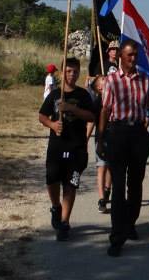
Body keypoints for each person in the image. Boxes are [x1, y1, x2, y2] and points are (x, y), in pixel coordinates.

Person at [97, 39, 149, 257]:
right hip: (117, 133)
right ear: (121, 57)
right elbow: (105, 110)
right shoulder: (112, 80)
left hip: (138, 135)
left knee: (136, 183)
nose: (133, 59)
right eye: (129, 55)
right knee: (118, 185)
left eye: (135, 55)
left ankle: (130, 222)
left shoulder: (144, 79)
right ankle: (116, 237)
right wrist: (100, 137)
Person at [38, 57, 95, 241]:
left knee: (71, 184)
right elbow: (41, 115)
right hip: (57, 146)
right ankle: (56, 207)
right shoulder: (55, 94)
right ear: (62, 73)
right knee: (52, 179)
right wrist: (52, 125)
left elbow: (91, 116)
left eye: (75, 71)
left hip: (77, 147)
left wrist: (72, 108)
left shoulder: (84, 95)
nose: (72, 75)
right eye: (69, 71)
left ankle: (64, 223)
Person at [86, 74, 112, 213]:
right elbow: (91, 122)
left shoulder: (114, 99)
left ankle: (108, 189)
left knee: (111, 167)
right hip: (102, 138)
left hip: (114, 137)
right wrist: (86, 139)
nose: (107, 80)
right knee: (101, 167)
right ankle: (102, 198)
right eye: (103, 80)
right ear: (99, 88)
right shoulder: (97, 102)